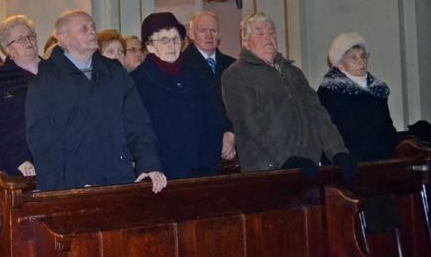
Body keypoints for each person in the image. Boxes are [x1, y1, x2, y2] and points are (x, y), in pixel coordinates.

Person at [26, 10, 166, 192]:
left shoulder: (114, 72)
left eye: (93, 26)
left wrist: (148, 164)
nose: (92, 31)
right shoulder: (45, 80)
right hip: (70, 186)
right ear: (64, 38)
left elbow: (137, 123)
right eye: (83, 29)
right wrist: (73, 183)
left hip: (118, 177)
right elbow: (43, 141)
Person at [221, 13, 356, 179]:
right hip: (267, 170)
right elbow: (251, 125)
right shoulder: (236, 75)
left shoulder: (293, 72)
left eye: (271, 32)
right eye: (260, 33)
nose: (268, 37)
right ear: (245, 42)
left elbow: (318, 114)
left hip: (308, 164)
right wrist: (285, 159)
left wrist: (338, 151)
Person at [132, 12, 227, 180]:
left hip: (203, 170)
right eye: (164, 40)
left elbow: (214, 119)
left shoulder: (198, 74)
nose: (172, 45)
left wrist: (207, 164)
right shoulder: (137, 81)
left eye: (175, 39)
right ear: (149, 46)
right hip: (162, 174)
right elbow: (140, 130)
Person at [317, 33, 398, 162]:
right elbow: (328, 133)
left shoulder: (378, 89)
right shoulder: (329, 91)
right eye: (353, 58)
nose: (361, 62)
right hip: (347, 161)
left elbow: (387, 126)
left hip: (381, 159)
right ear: (339, 63)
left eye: (363, 56)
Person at [0, 16, 38, 177]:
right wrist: (19, 159)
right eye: (20, 39)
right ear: (7, 48)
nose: (28, 41)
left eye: (30, 36)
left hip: (55, 160)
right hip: (16, 164)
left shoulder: (53, 72)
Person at [183, 11, 236, 160]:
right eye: (203, 30)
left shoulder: (232, 65)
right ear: (191, 34)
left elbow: (240, 105)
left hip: (233, 146)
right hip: (197, 148)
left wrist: (231, 132)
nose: (209, 35)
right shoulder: (181, 65)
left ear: (219, 35)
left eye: (213, 30)